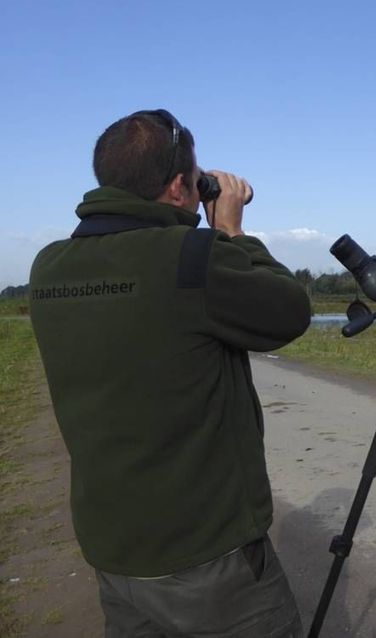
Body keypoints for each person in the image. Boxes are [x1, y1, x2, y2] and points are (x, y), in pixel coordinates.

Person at [29, 109, 311, 636]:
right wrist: (229, 229)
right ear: (181, 186)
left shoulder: (48, 266)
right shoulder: (190, 256)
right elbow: (290, 310)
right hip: (206, 552)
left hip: (112, 546)